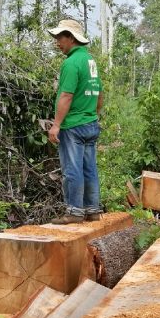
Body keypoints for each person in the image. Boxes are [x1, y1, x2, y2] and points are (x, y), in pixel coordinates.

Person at [46, 19, 103, 224]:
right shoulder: (90, 61)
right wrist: (94, 115)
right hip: (90, 124)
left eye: (60, 37)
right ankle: (92, 210)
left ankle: (74, 212)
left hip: (74, 126)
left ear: (70, 37)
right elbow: (100, 93)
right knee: (89, 168)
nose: (57, 42)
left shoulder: (70, 63)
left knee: (72, 169)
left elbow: (66, 96)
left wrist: (56, 125)